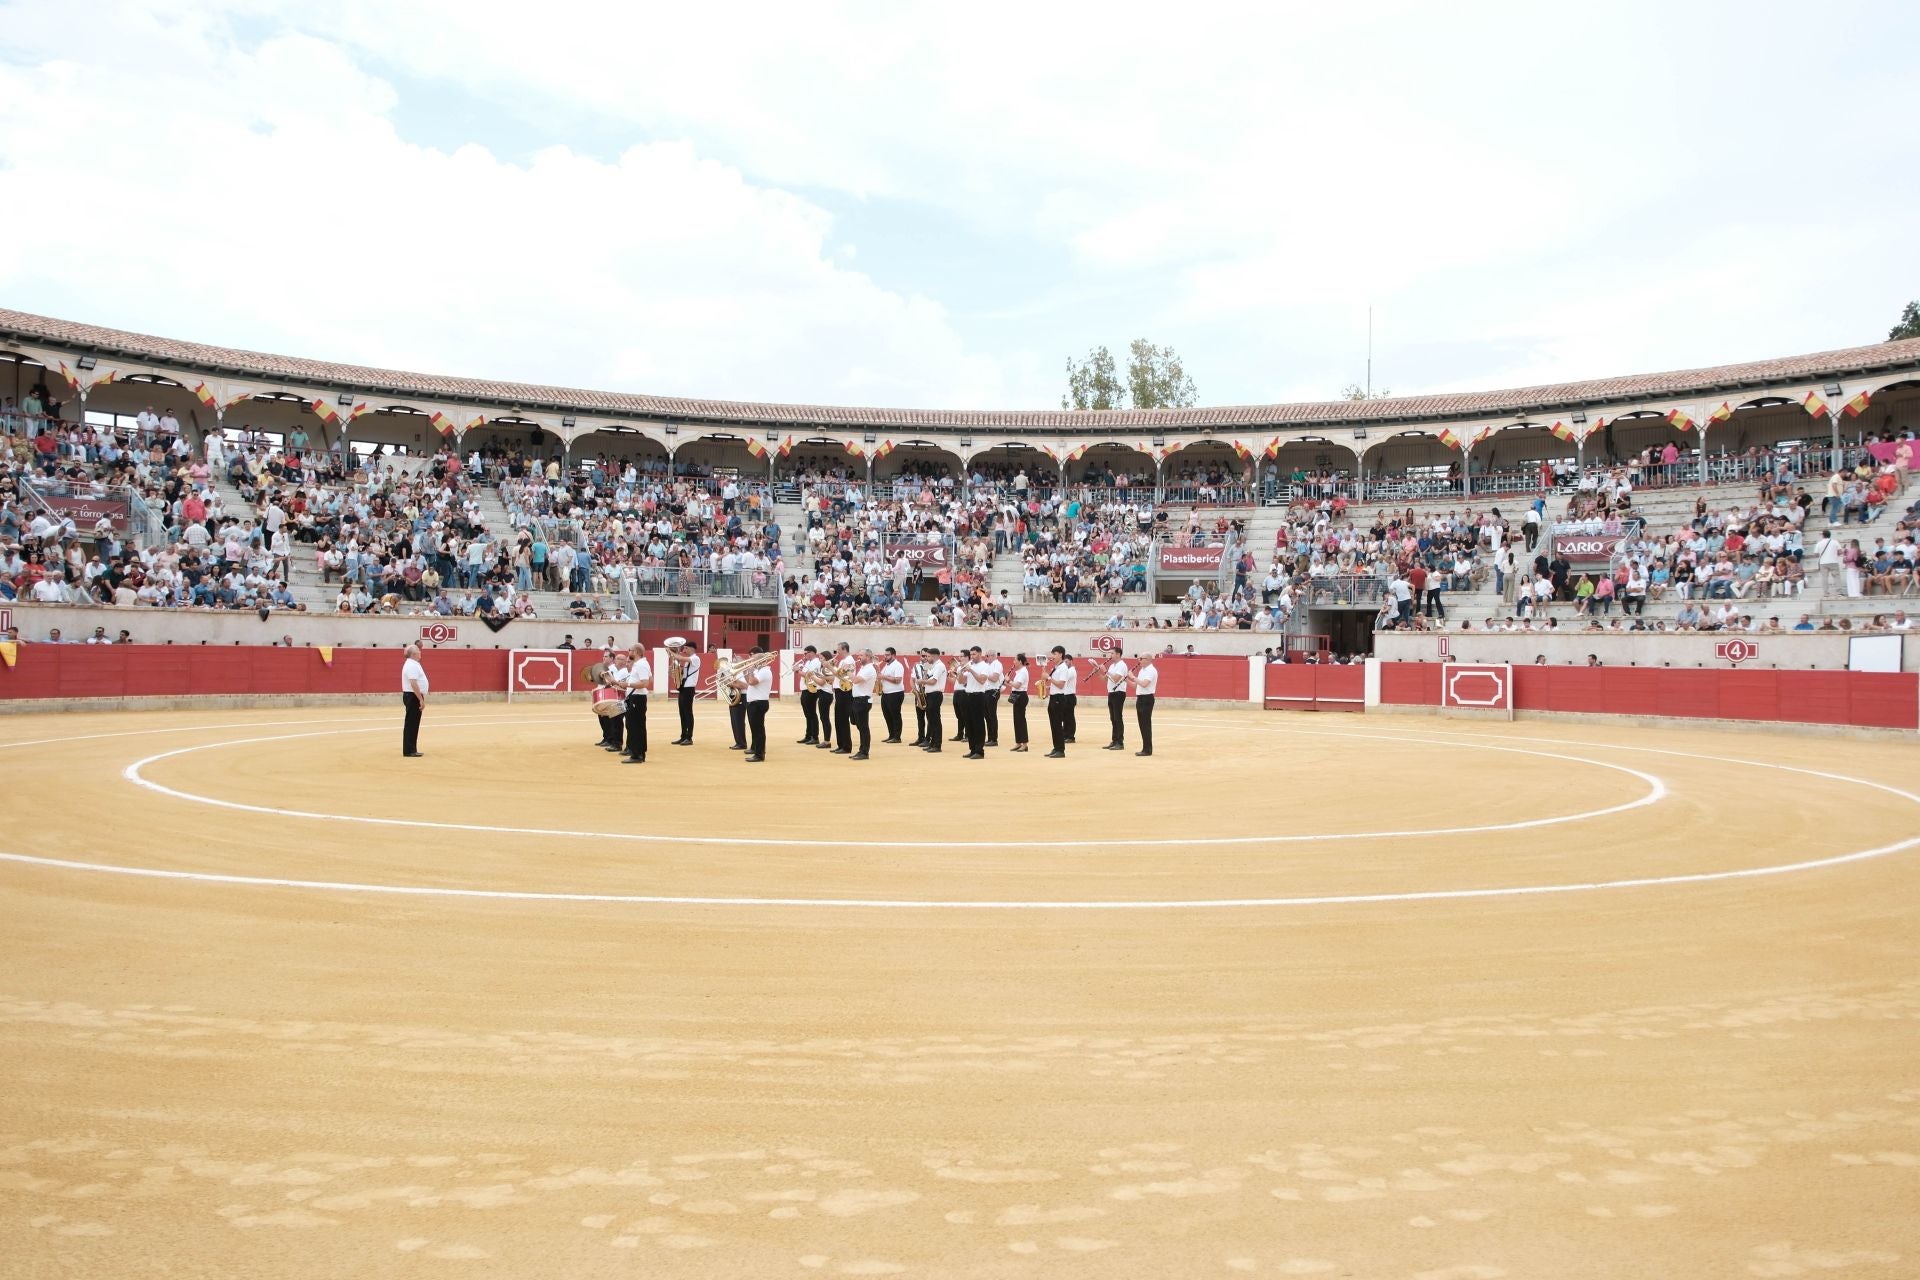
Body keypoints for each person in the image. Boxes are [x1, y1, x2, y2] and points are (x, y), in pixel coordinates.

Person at [738, 643, 772, 762]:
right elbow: (748, 681)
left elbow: (752, 682)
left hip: (759, 703)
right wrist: (745, 671)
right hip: (754, 703)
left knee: (758, 730)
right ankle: (756, 750)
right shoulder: (759, 670)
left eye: (754, 661)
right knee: (755, 729)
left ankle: (759, 754)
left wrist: (751, 670)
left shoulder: (764, 671)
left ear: (760, 661)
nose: (753, 662)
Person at [621, 644, 653, 763]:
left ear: (636, 652)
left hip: (637, 698)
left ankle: (637, 754)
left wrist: (628, 685)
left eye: (630, 650)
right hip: (636, 697)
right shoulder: (642, 664)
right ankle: (639, 752)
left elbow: (645, 683)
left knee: (635, 726)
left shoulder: (640, 665)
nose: (629, 652)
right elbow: (650, 680)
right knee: (636, 725)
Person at [1044, 646, 1077, 758]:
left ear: (1060, 654)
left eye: (1055, 654)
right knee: (1054, 725)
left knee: (1057, 725)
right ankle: (1056, 747)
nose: (1053, 656)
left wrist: (1048, 678)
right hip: (1053, 697)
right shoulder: (1056, 667)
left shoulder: (1063, 668)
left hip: (1059, 698)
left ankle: (1060, 750)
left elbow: (1061, 684)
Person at [669, 638, 700, 745]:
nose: (684, 649)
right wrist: (674, 671)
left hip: (689, 688)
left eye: (686, 648)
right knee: (682, 713)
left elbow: (679, 657)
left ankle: (689, 737)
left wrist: (671, 652)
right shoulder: (688, 660)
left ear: (692, 648)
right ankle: (683, 736)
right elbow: (682, 674)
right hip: (683, 688)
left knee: (688, 713)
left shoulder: (695, 658)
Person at [916, 648, 947, 753]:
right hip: (930, 694)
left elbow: (933, 681)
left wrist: (921, 681)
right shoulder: (931, 665)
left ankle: (937, 745)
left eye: (928, 656)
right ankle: (933, 743)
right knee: (931, 720)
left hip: (936, 694)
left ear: (934, 656)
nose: (926, 658)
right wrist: (925, 672)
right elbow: (926, 676)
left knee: (935, 720)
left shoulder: (939, 666)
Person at [400, 643, 428, 757]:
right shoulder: (412, 665)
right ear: (414, 654)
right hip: (413, 696)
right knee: (412, 724)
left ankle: (411, 749)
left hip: (413, 696)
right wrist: (420, 699)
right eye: (418, 651)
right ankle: (409, 750)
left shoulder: (413, 664)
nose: (420, 652)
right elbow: (413, 683)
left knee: (412, 723)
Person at [961, 647, 990, 759]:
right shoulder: (970, 665)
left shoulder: (985, 666)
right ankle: (972, 749)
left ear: (980, 654)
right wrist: (960, 671)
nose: (972, 656)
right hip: (968, 695)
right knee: (969, 724)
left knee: (978, 724)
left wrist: (971, 670)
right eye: (971, 654)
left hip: (978, 696)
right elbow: (962, 681)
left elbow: (982, 680)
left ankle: (979, 751)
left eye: (974, 654)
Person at [796, 645, 827, 746]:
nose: (804, 655)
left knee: (811, 714)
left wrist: (797, 671)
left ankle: (814, 736)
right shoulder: (808, 662)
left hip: (811, 690)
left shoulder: (816, 662)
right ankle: (808, 735)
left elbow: (809, 675)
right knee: (807, 714)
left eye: (806, 653)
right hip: (805, 689)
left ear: (812, 652)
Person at [848, 648, 876, 759]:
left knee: (863, 727)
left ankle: (864, 752)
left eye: (861, 655)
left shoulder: (869, 669)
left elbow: (855, 680)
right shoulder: (864, 668)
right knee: (859, 726)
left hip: (863, 701)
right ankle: (861, 750)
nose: (858, 657)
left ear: (868, 657)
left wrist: (848, 671)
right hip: (858, 700)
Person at [1129, 653, 1158, 757]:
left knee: (1145, 724)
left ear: (1148, 660)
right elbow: (1135, 686)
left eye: (1141, 659)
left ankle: (1147, 749)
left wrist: (1133, 677)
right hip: (1141, 698)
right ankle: (1145, 748)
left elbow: (1145, 684)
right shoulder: (1142, 670)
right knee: (1142, 725)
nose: (1139, 660)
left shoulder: (1151, 670)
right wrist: (1127, 679)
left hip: (1147, 698)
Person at [830, 642, 855, 754]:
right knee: (838, 719)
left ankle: (846, 746)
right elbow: (839, 674)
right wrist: (834, 666)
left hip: (845, 691)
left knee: (843, 719)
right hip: (840, 691)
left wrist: (829, 666)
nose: (837, 652)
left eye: (839, 649)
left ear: (844, 649)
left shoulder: (849, 660)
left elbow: (840, 675)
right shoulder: (843, 661)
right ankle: (841, 745)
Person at [878, 647, 907, 744]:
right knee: (887, 715)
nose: (885, 656)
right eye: (885, 655)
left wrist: (883, 677)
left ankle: (897, 737)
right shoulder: (886, 666)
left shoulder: (898, 665)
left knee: (895, 715)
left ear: (893, 655)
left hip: (895, 694)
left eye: (887, 655)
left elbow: (897, 680)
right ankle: (891, 735)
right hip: (886, 694)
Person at [1103, 647, 1129, 750]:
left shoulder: (1122, 665)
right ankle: (1114, 740)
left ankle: (1120, 742)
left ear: (1118, 654)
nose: (1110, 655)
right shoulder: (1112, 665)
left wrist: (1106, 671)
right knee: (1113, 718)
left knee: (1118, 717)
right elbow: (1105, 679)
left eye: (1112, 653)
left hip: (1118, 693)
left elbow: (1116, 679)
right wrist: (1098, 670)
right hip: (1111, 692)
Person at [1007, 652, 1032, 752]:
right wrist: (1007, 682)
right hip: (1017, 695)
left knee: (1020, 720)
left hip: (1021, 696)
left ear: (1020, 661)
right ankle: (1018, 742)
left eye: (1015, 660)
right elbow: (1015, 686)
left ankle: (1024, 744)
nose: (1013, 662)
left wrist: (1008, 681)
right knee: (1017, 720)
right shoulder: (1020, 671)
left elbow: (1017, 685)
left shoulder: (1023, 671)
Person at [727, 652, 750, 751]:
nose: (733, 662)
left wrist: (732, 684)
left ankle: (741, 743)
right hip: (733, 695)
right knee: (734, 720)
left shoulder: (744, 672)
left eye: (736, 661)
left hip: (742, 696)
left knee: (739, 721)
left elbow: (746, 685)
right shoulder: (733, 672)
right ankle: (738, 741)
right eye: (733, 661)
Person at [982, 650, 1005, 748]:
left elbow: (995, 678)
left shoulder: (997, 664)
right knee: (987, 715)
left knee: (992, 715)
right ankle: (990, 738)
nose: (986, 657)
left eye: (987, 656)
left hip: (993, 691)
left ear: (992, 656)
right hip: (987, 691)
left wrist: (985, 675)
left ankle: (994, 739)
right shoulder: (989, 665)